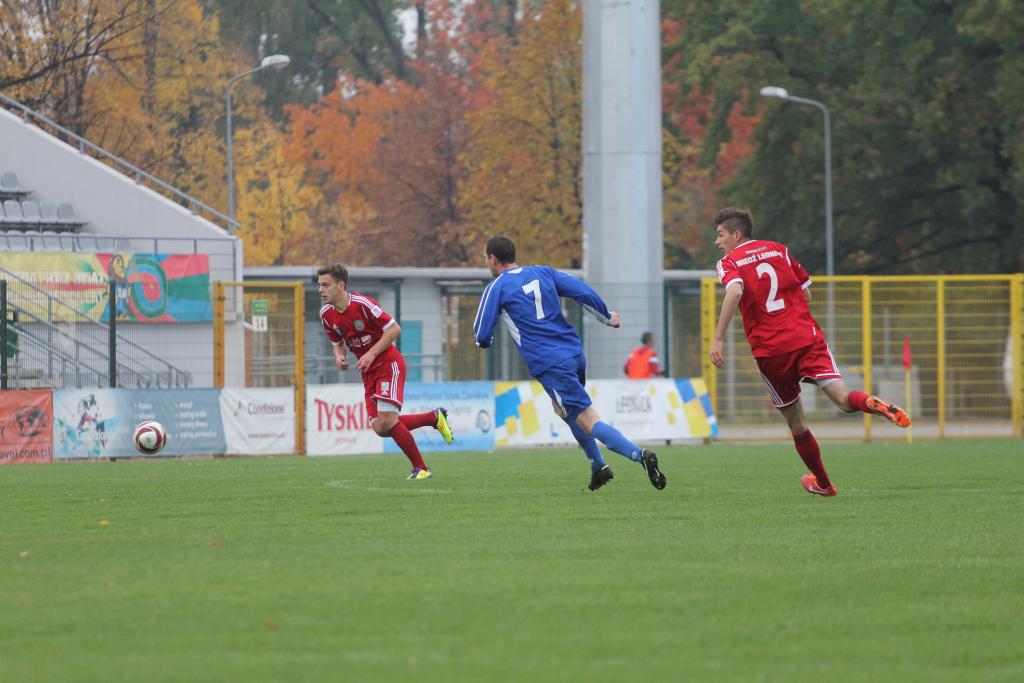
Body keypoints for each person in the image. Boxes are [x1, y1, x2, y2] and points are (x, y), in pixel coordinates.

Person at [709, 208, 910, 497]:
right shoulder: (779, 250)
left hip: (771, 350)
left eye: (720, 235)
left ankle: (824, 484)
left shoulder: (729, 262)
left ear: (736, 234)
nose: (717, 242)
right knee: (843, 399)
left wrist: (717, 338)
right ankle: (870, 401)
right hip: (805, 338)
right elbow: (806, 294)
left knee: (797, 423)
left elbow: (736, 291)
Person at [473, 236, 666, 492]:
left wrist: (486, 342)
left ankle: (639, 455)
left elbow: (481, 336)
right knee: (563, 410)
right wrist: (606, 316)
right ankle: (598, 466)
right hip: (574, 353)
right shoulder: (543, 272)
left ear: (493, 258)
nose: (486, 263)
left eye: (486, 258)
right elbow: (581, 290)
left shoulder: (496, 288)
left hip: (550, 362)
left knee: (587, 419)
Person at [317, 263, 453, 479]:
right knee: (381, 428)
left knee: (388, 420)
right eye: (320, 285)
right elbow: (337, 343)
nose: (321, 290)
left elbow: (394, 329)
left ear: (341, 285)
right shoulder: (326, 315)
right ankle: (433, 418)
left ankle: (421, 468)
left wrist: (371, 353)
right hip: (368, 372)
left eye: (326, 285)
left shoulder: (363, 304)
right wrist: (339, 356)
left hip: (388, 365)